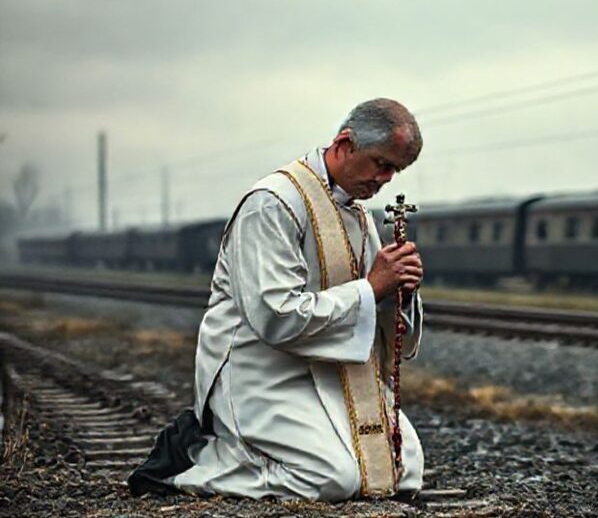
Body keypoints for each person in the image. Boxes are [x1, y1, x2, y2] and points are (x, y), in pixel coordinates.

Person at [128, 98, 426, 501]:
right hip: (262, 371)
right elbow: (276, 317)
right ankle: (196, 457)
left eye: (395, 170)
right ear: (345, 143)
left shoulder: (358, 215)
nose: (386, 179)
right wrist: (373, 288)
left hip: (330, 368)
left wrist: (399, 293)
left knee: (403, 470)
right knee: (333, 477)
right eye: (381, 163)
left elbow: (375, 305)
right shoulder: (272, 203)